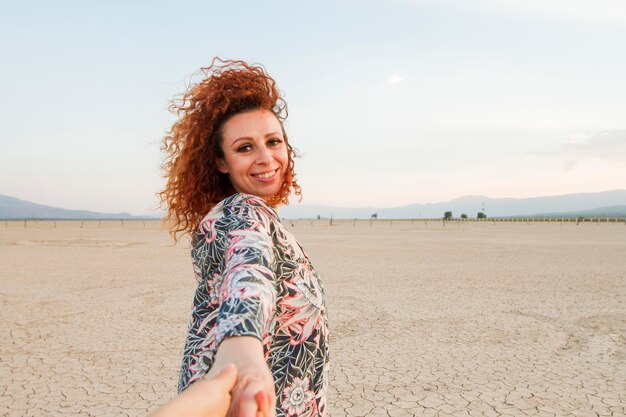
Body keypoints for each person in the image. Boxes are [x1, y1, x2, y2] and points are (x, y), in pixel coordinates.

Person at [159, 59, 329, 417]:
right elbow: (247, 271)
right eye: (245, 147)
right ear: (221, 161)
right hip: (242, 398)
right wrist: (242, 348)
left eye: (273, 142)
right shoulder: (240, 212)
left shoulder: (261, 216)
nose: (266, 158)